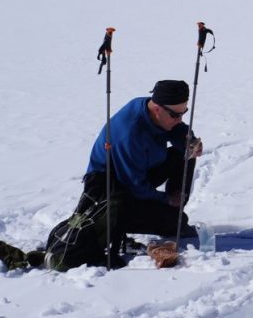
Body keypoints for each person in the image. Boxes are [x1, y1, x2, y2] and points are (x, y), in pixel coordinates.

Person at [80, 79, 204, 240]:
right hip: (112, 190)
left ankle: (174, 211)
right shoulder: (129, 134)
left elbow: (176, 128)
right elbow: (135, 186)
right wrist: (166, 199)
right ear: (158, 109)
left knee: (185, 155)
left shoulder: (154, 110)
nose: (179, 119)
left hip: (141, 171)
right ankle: (170, 218)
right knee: (175, 222)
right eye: (175, 115)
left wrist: (188, 141)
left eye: (183, 113)